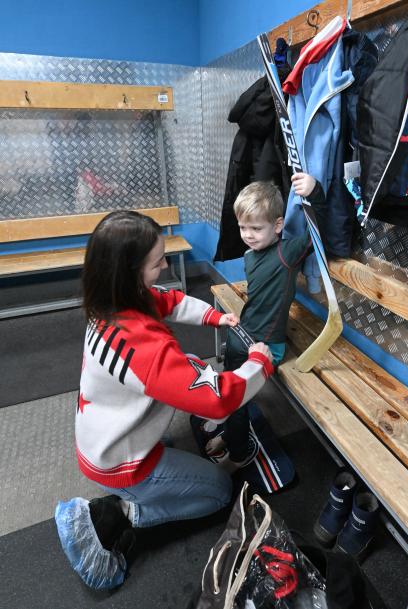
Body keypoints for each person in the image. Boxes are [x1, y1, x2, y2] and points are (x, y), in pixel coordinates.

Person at [55, 210, 274, 589]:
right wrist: (259, 364)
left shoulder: (111, 301)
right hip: (119, 462)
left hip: (103, 436)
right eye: (158, 263)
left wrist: (212, 317)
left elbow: (166, 300)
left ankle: (142, 478)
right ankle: (126, 512)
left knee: (187, 366)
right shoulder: (140, 346)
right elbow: (218, 399)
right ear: (130, 271)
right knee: (220, 494)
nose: (166, 266)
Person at [205, 174, 326, 470]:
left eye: (256, 228)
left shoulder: (287, 253)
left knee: (235, 398)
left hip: (266, 346)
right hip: (243, 335)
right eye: (243, 227)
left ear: (278, 225)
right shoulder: (250, 255)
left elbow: (317, 229)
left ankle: (239, 451)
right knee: (225, 381)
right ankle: (232, 429)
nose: (248, 234)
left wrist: (316, 192)